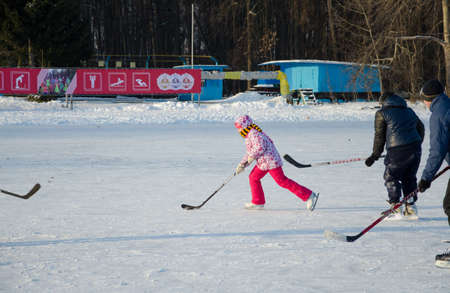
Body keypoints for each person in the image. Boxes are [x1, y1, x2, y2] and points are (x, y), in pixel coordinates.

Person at [234, 114, 319, 210]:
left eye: (239, 127)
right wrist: (242, 164)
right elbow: (250, 152)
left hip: (271, 161)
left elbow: (260, 147)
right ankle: (258, 201)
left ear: (245, 126)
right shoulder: (249, 135)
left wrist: (250, 159)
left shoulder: (254, 133)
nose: (238, 130)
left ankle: (309, 195)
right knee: (253, 177)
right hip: (263, 163)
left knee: (282, 181)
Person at [365, 92, 424, 219]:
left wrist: (374, 155)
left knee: (391, 176)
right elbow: (421, 128)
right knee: (409, 176)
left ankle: (395, 207)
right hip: (415, 148)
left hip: (397, 150)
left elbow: (379, 137)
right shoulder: (409, 111)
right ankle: (411, 208)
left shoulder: (382, 113)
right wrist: (415, 144)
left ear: (384, 102)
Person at [416, 79, 450, 268]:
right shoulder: (447, 105)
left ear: (428, 99)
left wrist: (426, 178)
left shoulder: (438, 114)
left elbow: (437, 150)